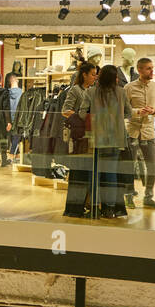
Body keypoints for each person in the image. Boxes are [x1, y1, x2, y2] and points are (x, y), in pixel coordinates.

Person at [123, 57, 155, 209]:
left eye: (152, 68)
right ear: (140, 70)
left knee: (152, 166)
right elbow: (123, 110)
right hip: (132, 132)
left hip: (148, 132)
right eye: (148, 68)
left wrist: (154, 111)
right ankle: (128, 196)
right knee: (129, 166)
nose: (152, 71)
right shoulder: (129, 88)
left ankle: (148, 196)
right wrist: (137, 112)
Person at [89, 64, 128, 217]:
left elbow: (81, 113)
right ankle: (109, 208)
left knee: (95, 173)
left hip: (97, 137)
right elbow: (129, 113)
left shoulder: (91, 92)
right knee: (111, 174)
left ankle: (94, 207)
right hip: (115, 138)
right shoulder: (121, 92)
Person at [61, 61, 98, 217]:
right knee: (78, 172)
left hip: (89, 137)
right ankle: (73, 208)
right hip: (79, 136)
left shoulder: (91, 91)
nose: (95, 77)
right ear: (85, 74)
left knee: (86, 173)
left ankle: (83, 204)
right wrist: (81, 118)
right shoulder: (76, 90)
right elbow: (65, 110)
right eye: (92, 74)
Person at [5, 72, 23, 155]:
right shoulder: (22, 93)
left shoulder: (6, 93)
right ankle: (13, 154)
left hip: (8, 118)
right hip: (19, 117)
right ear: (16, 80)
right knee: (17, 135)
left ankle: (14, 153)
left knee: (12, 136)